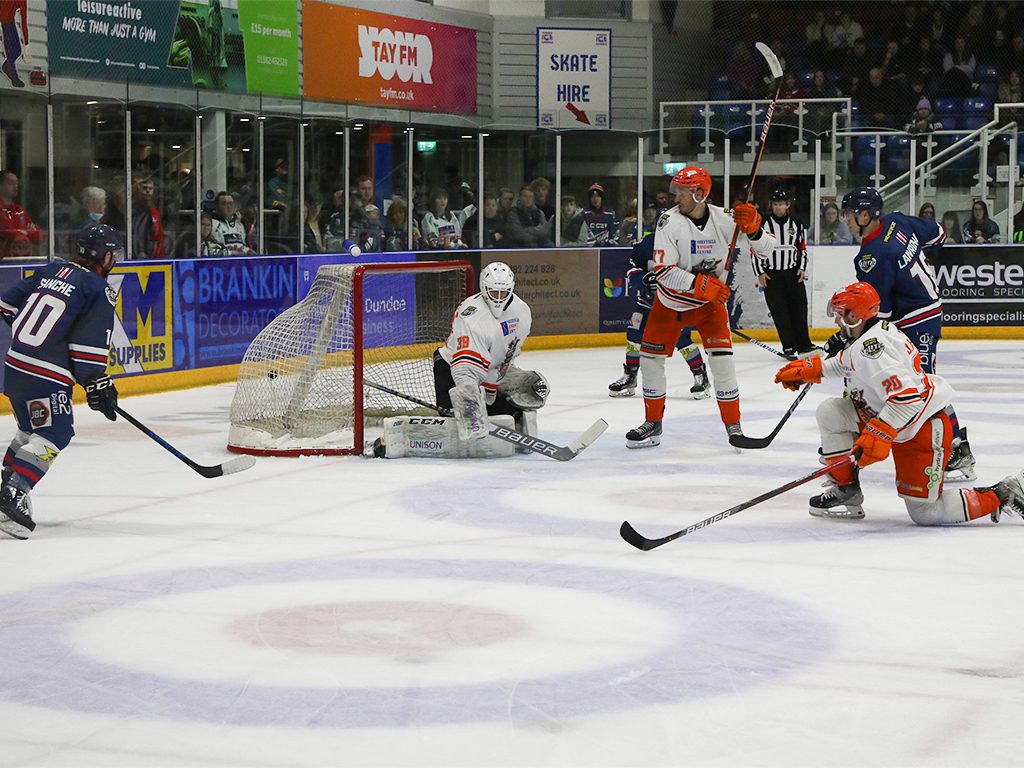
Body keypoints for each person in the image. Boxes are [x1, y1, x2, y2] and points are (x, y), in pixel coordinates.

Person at [774, 281, 1023, 524]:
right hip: (892, 417)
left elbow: (907, 399)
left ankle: (1004, 493)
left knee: (927, 513)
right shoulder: (869, 335)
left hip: (922, 426)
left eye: (843, 314)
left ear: (857, 315)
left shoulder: (872, 350)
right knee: (831, 412)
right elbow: (845, 362)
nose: (838, 320)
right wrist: (814, 369)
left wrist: (879, 432)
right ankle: (845, 489)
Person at [625, 166, 776, 448]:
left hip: (710, 307)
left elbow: (768, 249)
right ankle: (653, 424)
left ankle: (734, 428)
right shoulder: (667, 222)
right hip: (670, 304)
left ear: (699, 193)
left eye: (682, 192)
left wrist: (755, 229)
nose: (676, 197)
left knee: (723, 364)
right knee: (651, 361)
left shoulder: (725, 219)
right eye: (677, 190)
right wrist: (702, 285)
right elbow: (664, 271)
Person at [839, 187, 975, 481]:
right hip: (922, 309)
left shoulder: (872, 256)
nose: (846, 220)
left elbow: (878, 313)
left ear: (865, 215)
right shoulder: (897, 221)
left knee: (924, 386)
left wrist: (851, 337)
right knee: (915, 384)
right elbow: (938, 234)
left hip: (917, 318)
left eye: (850, 214)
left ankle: (956, 448)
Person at [0, 224, 122, 539]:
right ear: (105, 256)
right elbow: (87, 350)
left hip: (14, 366)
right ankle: (12, 494)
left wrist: (41, 342)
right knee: (55, 432)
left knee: (30, 430)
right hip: (45, 376)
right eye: (114, 255)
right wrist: (98, 383)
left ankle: (5, 486)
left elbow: (7, 305)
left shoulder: (50, 271)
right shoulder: (97, 289)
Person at [434, 262, 545, 440]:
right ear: (484, 288)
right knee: (457, 416)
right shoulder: (472, 315)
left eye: (504, 292)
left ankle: (500, 412)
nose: (499, 298)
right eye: (494, 292)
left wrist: (505, 383)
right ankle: (459, 415)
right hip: (451, 369)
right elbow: (464, 369)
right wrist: (471, 411)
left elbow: (507, 356)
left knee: (518, 400)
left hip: (489, 371)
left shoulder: (522, 311)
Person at [608, 231, 709, 400]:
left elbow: (693, 273)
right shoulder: (646, 243)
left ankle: (700, 375)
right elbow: (632, 270)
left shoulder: (683, 242)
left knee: (681, 339)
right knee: (634, 335)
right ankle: (630, 376)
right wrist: (645, 278)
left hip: (674, 303)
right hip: (647, 304)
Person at [753, 189, 814, 359]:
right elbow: (755, 250)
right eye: (775, 204)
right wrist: (760, 272)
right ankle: (788, 346)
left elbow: (802, 248)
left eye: (781, 204)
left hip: (793, 273)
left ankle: (804, 344)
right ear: (771, 206)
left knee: (800, 310)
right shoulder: (762, 224)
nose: (778, 207)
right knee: (780, 312)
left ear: (787, 205)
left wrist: (802, 268)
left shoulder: (797, 224)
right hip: (772, 275)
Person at [0, 169, 43, 260]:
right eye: (11, 183)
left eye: (17, 183)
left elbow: (38, 236)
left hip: (22, 261)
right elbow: (5, 233)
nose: (16, 186)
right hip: (3, 263)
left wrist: (23, 232)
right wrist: (25, 232)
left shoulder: (18, 210)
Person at [130, 175, 164, 259]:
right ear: (138, 191)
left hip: (153, 254)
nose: (148, 191)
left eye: (150, 188)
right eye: (144, 188)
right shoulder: (134, 210)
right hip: (138, 254)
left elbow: (158, 235)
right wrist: (140, 251)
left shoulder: (154, 211)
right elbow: (138, 233)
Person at [0, 0, 28, 88]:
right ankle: (14, 77)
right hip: (5, 21)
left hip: (10, 21)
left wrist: (26, 41)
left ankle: (7, 66)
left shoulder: (23, 1)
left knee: (17, 51)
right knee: (11, 51)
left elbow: (24, 20)